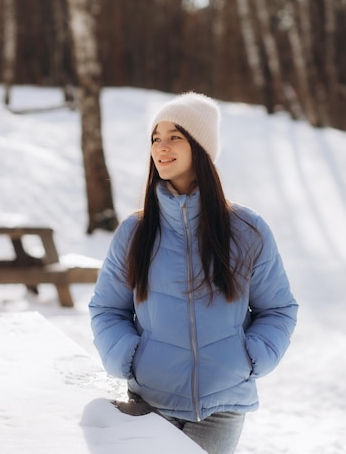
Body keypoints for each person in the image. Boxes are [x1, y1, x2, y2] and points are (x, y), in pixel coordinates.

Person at [89, 92, 298, 454]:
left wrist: (249, 359)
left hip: (222, 409)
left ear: (200, 147)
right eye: (156, 138)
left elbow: (278, 309)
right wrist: (131, 358)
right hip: (150, 402)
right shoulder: (135, 232)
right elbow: (107, 309)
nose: (161, 147)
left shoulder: (247, 230)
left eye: (175, 136)